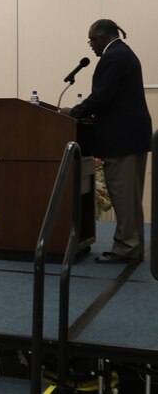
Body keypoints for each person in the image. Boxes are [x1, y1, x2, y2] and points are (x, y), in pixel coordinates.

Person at [63, 19, 152, 264]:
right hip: (131, 135)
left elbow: (102, 96)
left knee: (123, 196)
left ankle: (126, 248)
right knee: (130, 196)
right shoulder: (122, 54)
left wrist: (75, 112)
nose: (90, 45)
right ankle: (131, 245)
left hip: (123, 138)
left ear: (103, 36)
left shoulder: (115, 56)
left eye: (92, 39)